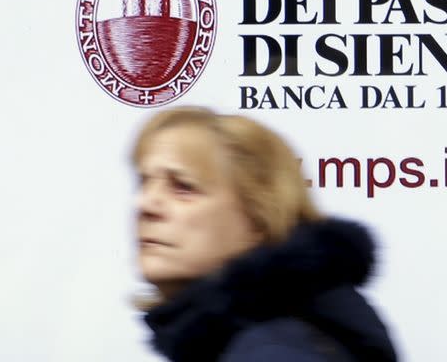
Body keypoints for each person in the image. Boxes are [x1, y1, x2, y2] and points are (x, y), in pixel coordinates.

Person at [131, 107, 398, 362]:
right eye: (144, 182)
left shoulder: (275, 349)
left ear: (259, 220)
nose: (145, 204)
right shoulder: (264, 341)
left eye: (183, 187)